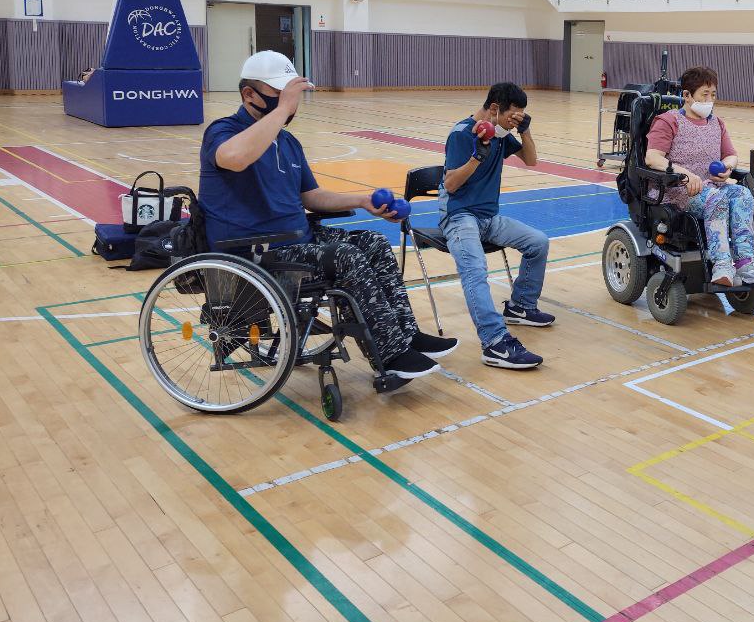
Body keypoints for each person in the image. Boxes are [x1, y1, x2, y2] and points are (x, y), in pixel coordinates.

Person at [200, 51, 456, 383]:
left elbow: (311, 197)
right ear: (249, 94)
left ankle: (405, 334)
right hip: (256, 250)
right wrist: (280, 111)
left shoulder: (288, 142)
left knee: (375, 242)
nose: (291, 106)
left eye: (292, 98)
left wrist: (363, 200)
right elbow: (234, 158)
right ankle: (390, 354)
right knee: (347, 258)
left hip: (295, 240)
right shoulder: (223, 131)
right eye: (281, 96)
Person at [441, 82, 554, 370]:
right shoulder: (462, 134)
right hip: (459, 217)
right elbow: (451, 184)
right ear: (494, 109)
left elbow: (531, 160)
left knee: (538, 241)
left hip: (488, 218)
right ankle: (494, 342)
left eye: (520, 117)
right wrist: (477, 156)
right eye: (512, 116)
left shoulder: (501, 135)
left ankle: (521, 306)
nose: (513, 122)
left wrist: (524, 129)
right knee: (476, 269)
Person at [644, 66, 754, 287]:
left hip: (711, 187)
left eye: (713, 95)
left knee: (743, 194)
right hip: (676, 190)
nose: (709, 100)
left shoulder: (717, 123)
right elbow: (653, 158)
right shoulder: (669, 121)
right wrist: (685, 174)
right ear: (687, 96)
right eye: (704, 95)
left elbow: (731, 155)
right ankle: (722, 266)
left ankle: (745, 264)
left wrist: (727, 167)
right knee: (717, 199)